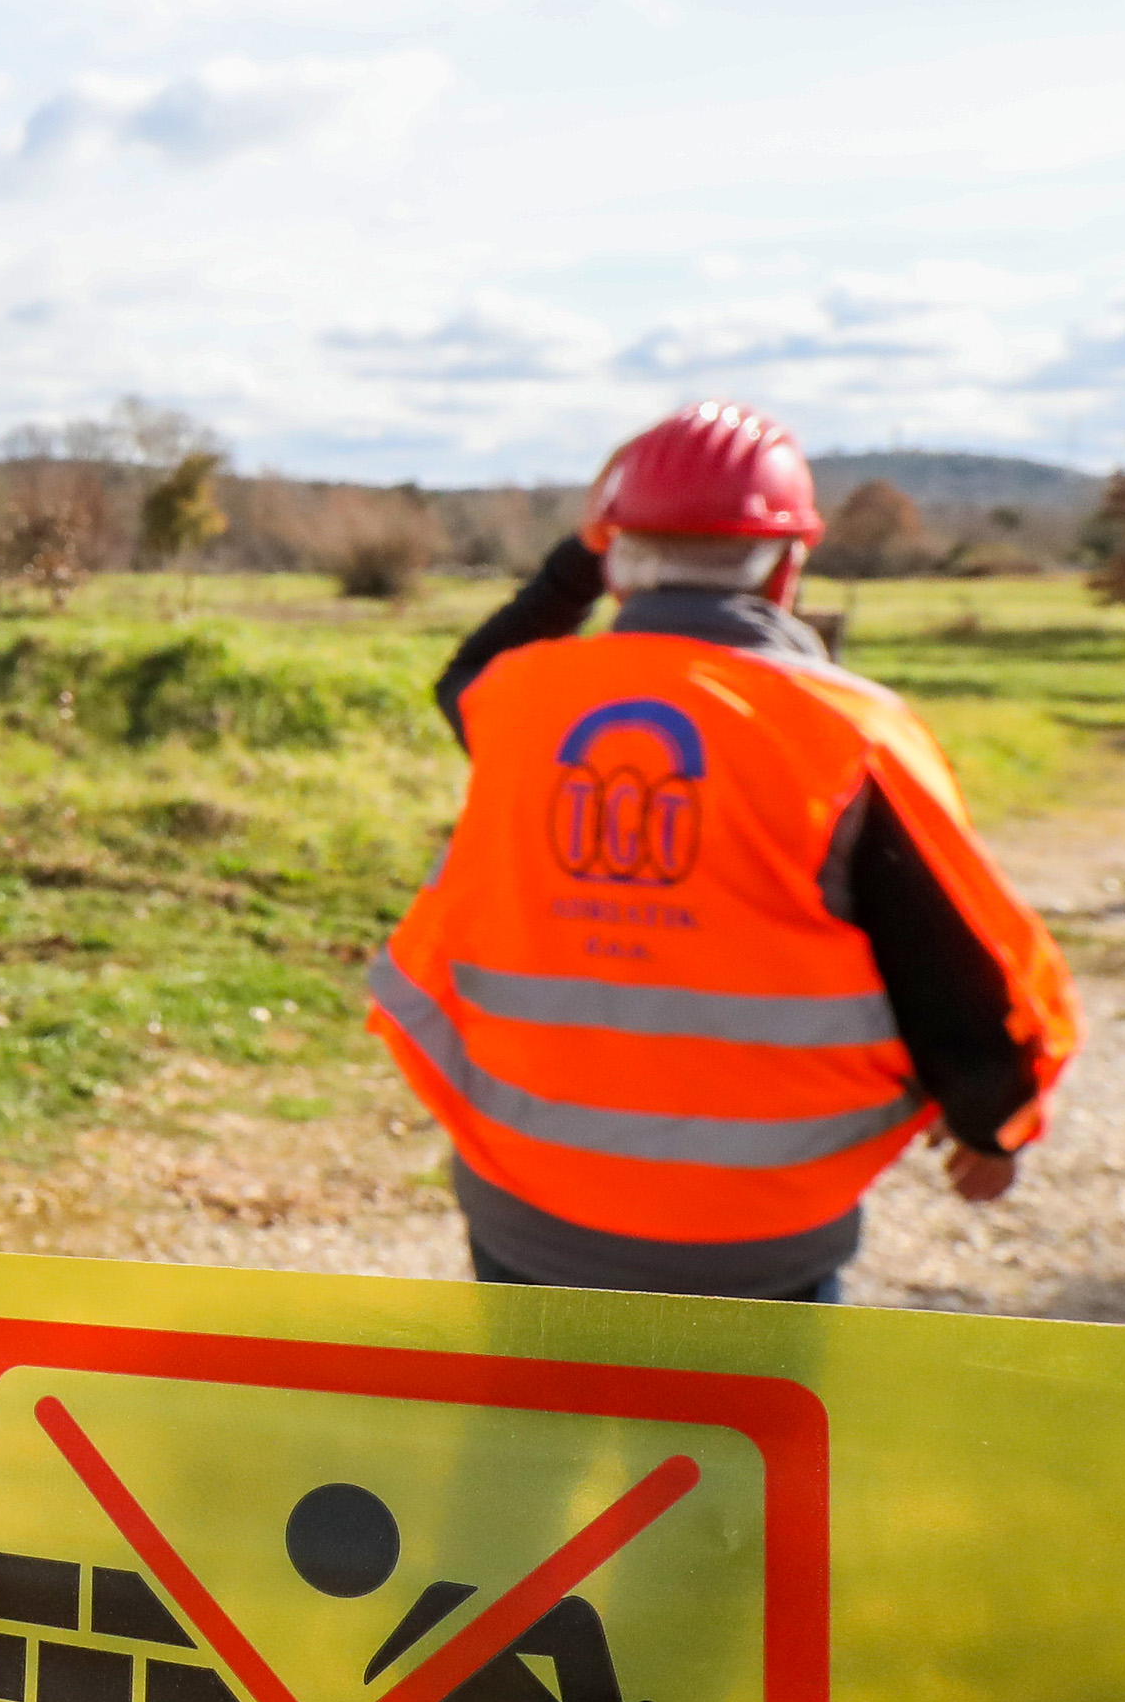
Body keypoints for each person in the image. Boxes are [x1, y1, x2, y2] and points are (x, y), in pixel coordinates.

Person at [371, 401, 1083, 1300]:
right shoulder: (847, 734)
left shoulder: (520, 704)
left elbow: (468, 671)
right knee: (742, 1443)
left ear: (613, 559)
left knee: (529, 1434)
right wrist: (992, 1123)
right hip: (755, 1240)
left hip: (530, 1204)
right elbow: (953, 967)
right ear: (789, 568)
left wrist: (581, 563)